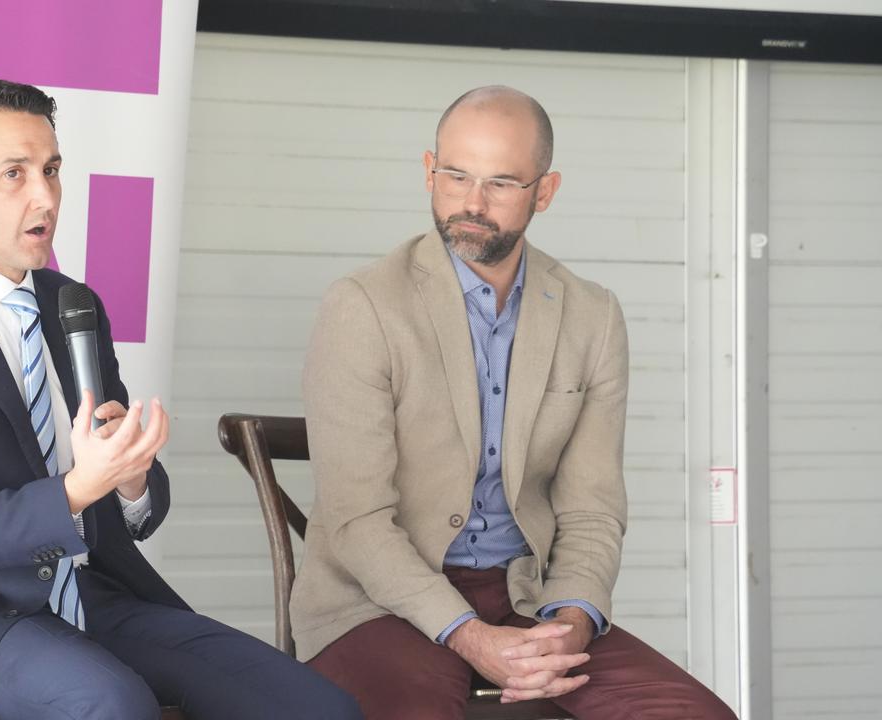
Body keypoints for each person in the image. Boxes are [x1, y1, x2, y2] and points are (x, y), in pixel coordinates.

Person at [0, 77, 361, 720]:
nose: (45, 196)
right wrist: (81, 488)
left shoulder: (70, 304)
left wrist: (132, 480)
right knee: (113, 704)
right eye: (14, 174)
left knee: (316, 706)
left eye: (52, 170)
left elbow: (133, 505)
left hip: (93, 592)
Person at [289, 86, 737, 720]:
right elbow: (356, 520)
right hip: (376, 604)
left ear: (544, 192)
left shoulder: (593, 316)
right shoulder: (362, 307)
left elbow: (592, 509)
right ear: (428, 171)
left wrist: (572, 619)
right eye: (455, 176)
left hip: (526, 598)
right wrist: (470, 635)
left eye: (501, 183)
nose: (472, 203)